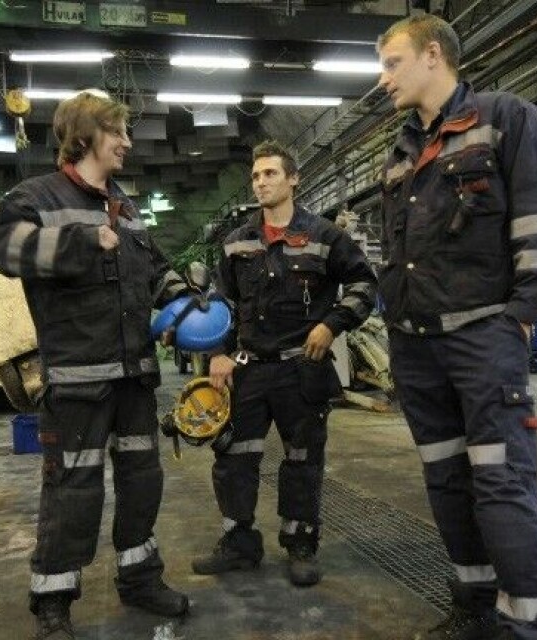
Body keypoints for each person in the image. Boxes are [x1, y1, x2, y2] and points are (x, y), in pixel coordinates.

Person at [375, 14, 537, 640]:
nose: (383, 81)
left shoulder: (507, 118)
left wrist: (518, 320)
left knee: (501, 481)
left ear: (433, 55)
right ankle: (474, 605)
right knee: (447, 481)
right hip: (415, 341)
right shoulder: (403, 150)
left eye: (392, 64)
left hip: (481, 336)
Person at [0, 92, 190, 640]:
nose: (126, 143)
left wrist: (188, 301)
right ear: (85, 137)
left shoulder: (125, 204)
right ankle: (53, 601)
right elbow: (1, 248)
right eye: (117, 132)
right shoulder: (36, 197)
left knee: (143, 481)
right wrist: (79, 240)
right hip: (78, 381)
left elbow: (153, 268)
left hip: (134, 378)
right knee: (73, 491)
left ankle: (140, 577)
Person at [192, 140, 377, 587]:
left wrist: (332, 325)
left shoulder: (325, 236)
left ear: (293, 179)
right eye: (256, 176)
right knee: (234, 456)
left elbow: (364, 285)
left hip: (302, 369)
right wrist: (218, 353)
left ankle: (299, 544)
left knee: (301, 458)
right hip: (249, 368)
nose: (261, 183)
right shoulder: (237, 243)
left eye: (270, 174)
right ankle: (239, 544)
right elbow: (219, 306)